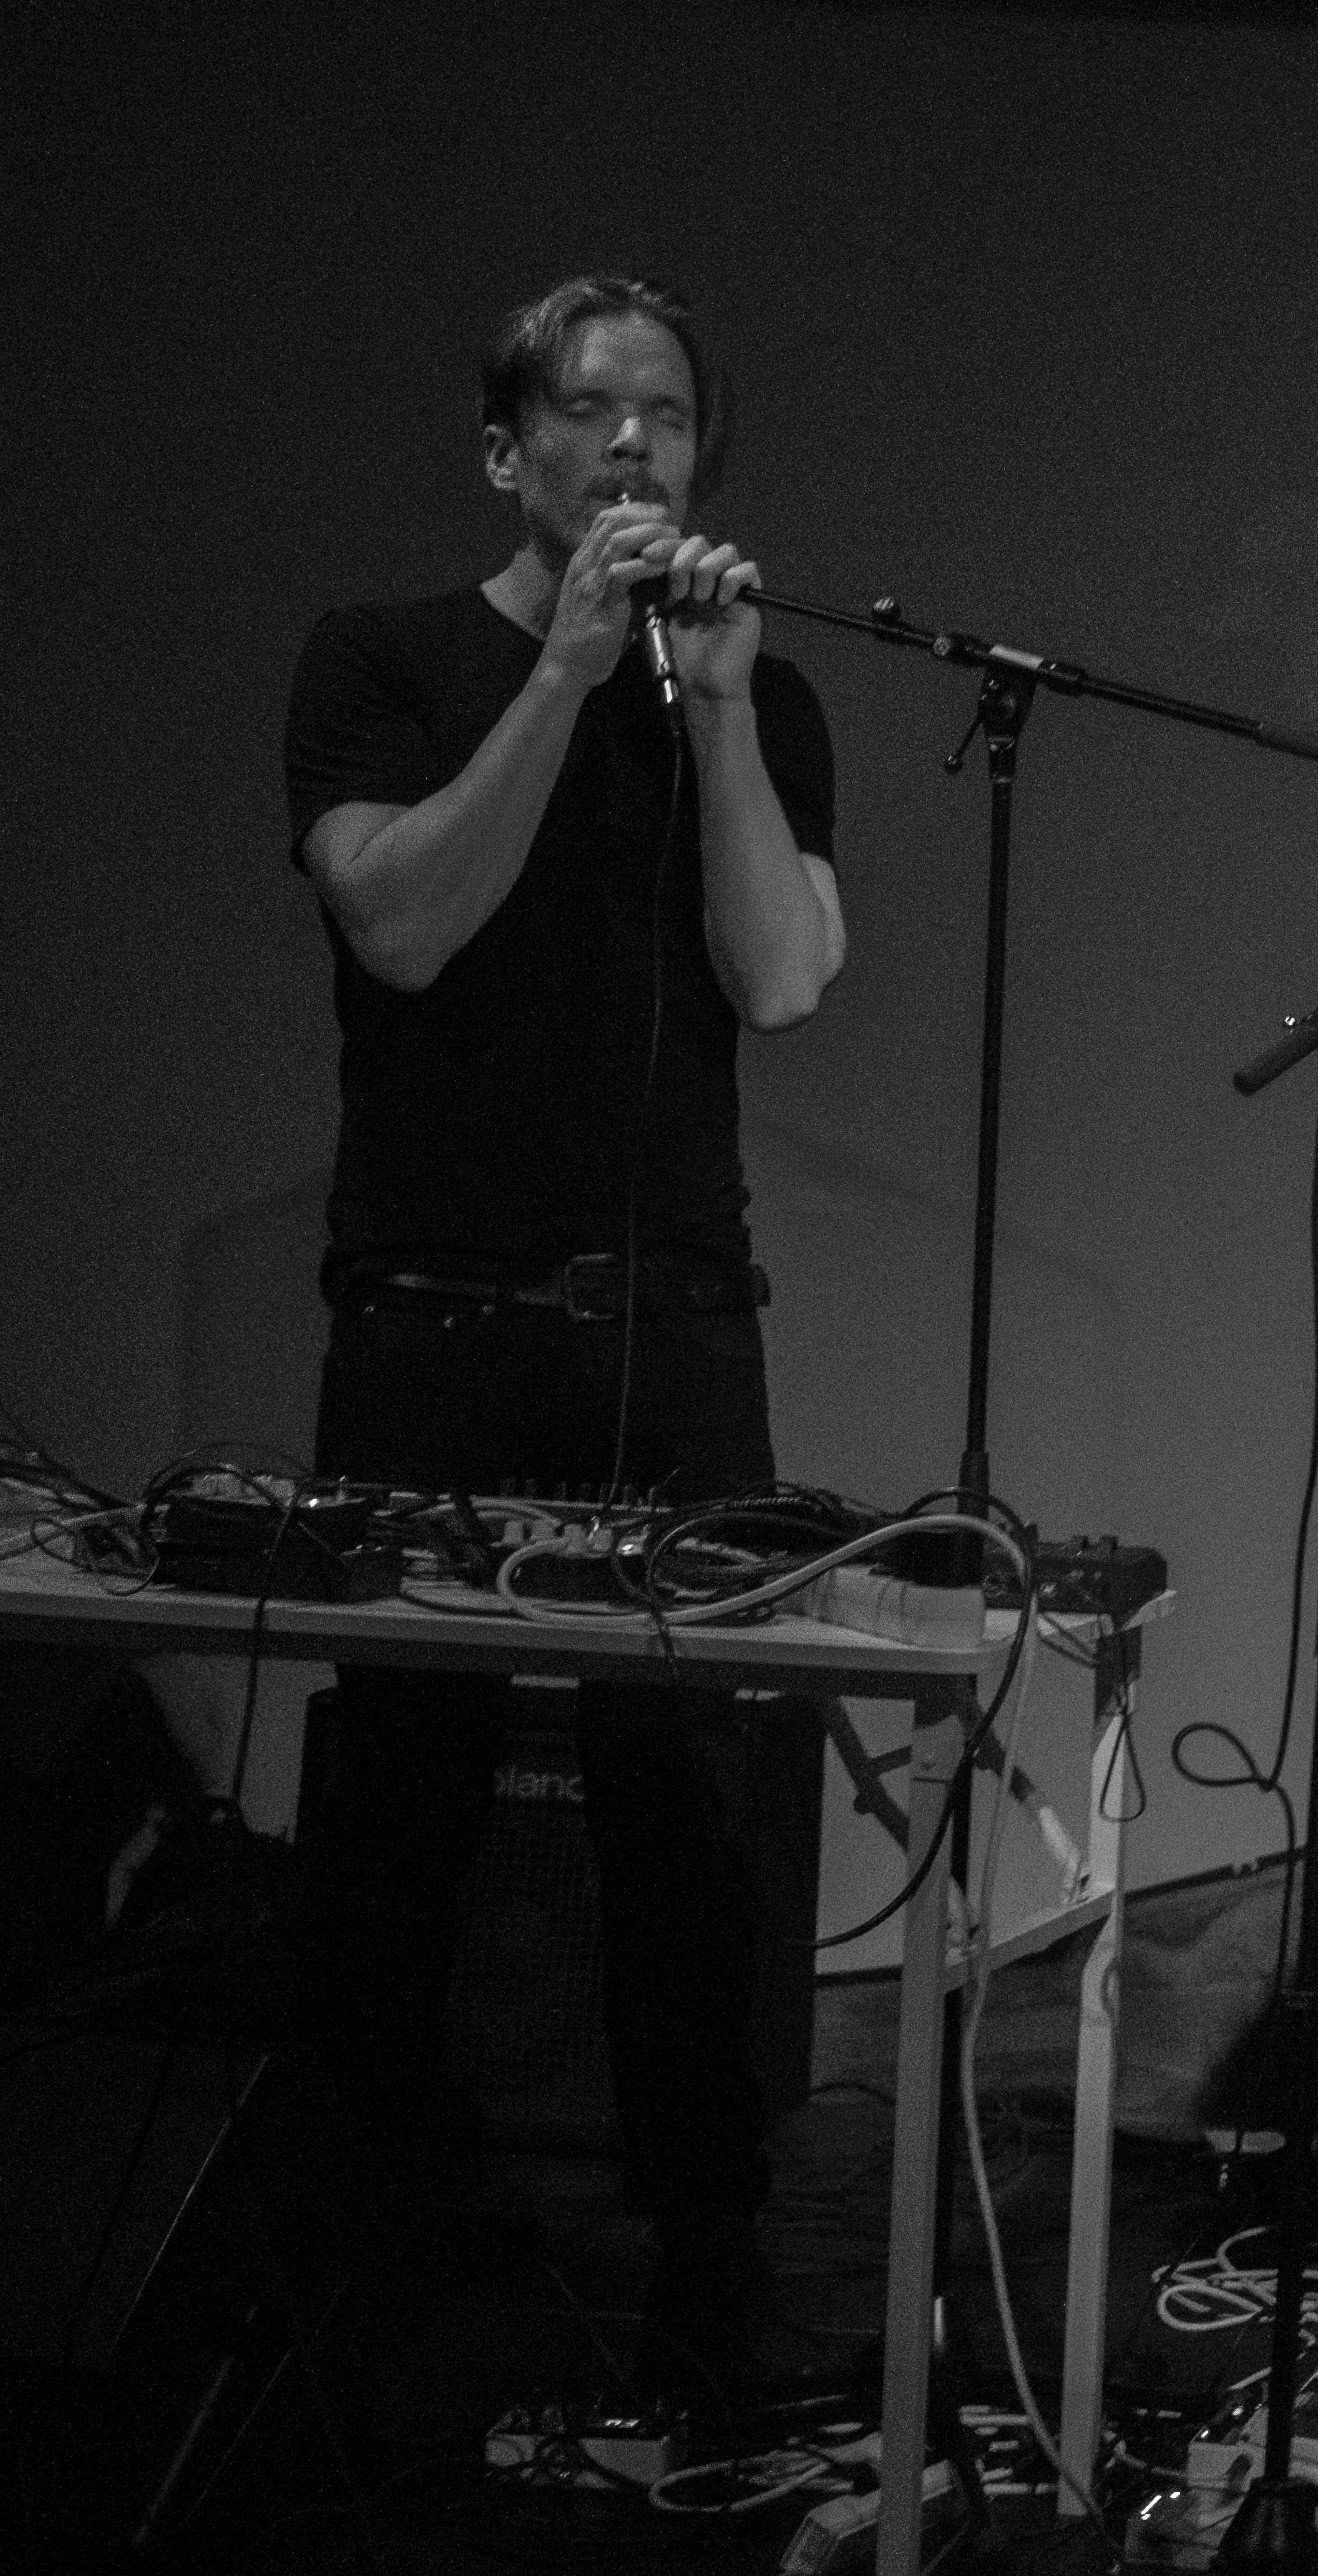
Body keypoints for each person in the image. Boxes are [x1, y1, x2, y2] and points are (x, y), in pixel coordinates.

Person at [280, 273, 845, 2400]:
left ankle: (709, 2263)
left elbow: (782, 979)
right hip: (431, 1321)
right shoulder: (386, 661)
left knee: (685, 1810)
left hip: (671, 1323)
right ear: (506, 450)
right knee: (403, 1802)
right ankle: (355, 2258)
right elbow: (407, 922)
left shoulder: (750, 695)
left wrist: (706, 704)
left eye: (671, 418)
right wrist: (570, 672)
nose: (636, 449)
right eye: (592, 414)